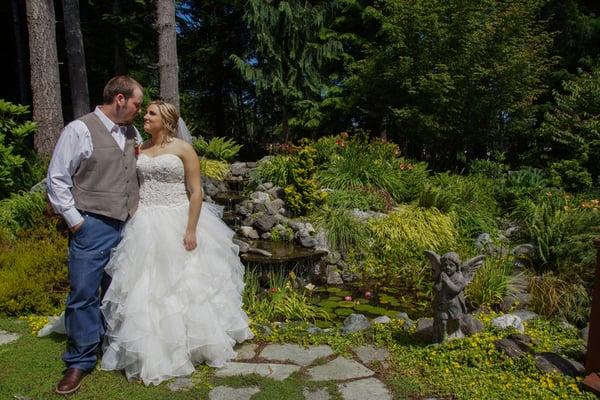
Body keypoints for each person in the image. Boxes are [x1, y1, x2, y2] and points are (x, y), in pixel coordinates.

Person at [100, 101, 253, 386]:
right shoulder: (140, 148)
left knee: (187, 283)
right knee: (147, 285)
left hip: (179, 218)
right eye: (145, 112)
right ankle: (153, 349)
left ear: (167, 121)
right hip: (145, 221)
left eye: (151, 114)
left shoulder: (183, 149)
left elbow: (196, 192)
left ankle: (192, 344)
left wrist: (191, 229)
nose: (144, 116)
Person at [47, 76, 144, 394]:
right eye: (136, 104)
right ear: (119, 99)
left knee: (118, 291)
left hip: (127, 224)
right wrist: (77, 223)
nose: (138, 110)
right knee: (84, 293)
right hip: (92, 224)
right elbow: (57, 178)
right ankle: (79, 360)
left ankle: (111, 346)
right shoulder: (79, 129)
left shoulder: (132, 132)